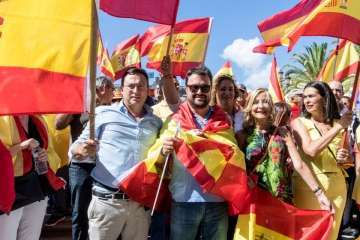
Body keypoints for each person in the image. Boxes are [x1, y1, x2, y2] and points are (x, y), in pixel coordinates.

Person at [70, 67, 162, 240]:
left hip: (139, 207)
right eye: (131, 86)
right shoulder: (103, 114)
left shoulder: (155, 122)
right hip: (107, 203)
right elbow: (75, 148)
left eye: (141, 86)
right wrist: (80, 150)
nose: (136, 90)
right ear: (122, 89)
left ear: (147, 89)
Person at [160, 56, 237, 240]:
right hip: (184, 201)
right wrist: (164, 149)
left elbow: (233, 154)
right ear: (186, 89)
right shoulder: (176, 119)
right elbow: (158, 153)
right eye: (194, 87)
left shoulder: (223, 120)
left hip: (217, 202)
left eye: (204, 87)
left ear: (211, 90)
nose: (199, 91)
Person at [236, 89, 332, 209]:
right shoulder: (242, 135)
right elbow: (237, 167)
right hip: (254, 199)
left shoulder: (282, 132)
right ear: (250, 107)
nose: (260, 106)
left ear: (271, 107)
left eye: (265, 102)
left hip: (281, 200)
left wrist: (319, 193)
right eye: (256, 102)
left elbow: (299, 164)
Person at [291, 81, 352, 240]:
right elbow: (310, 150)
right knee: (311, 235)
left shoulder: (337, 123)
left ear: (324, 99)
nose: (306, 101)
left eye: (311, 96)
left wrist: (345, 157)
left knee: (331, 235)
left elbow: (348, 159)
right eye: (305, 97)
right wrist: (338, 128)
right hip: (310, 189)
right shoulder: (298, 123)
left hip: (338, 187)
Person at [56, 75, 114, 240]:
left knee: (104, 210)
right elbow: (58, 125)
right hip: (80, 166)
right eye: (107, 87)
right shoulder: (80, 106)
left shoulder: (116, 110)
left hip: (104, 166)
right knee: (80, 210)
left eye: (109, 87)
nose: (109, 91)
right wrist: (77, 103)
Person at [0, 115, 64, 240]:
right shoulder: (2, 119)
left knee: (31, 237)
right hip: (11, 190)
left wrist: (46, 156)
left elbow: (52, 152)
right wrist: (21, 146)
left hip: (37, 188)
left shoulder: (38, 119)